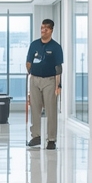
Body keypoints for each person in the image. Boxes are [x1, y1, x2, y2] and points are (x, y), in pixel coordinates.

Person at [26, 18, 64, 149]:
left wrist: (58, 85)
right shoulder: (34, 44)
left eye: (46, 28)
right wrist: (31, 73)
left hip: (49, 81)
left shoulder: (56, 47)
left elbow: (59, 68)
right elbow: (28, 61)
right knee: (35, 108)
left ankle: (51, 139)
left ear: (51, 30)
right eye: (42, 28)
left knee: (51, 110)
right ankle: (36, 136)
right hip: (35, 80)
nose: (43, 30)